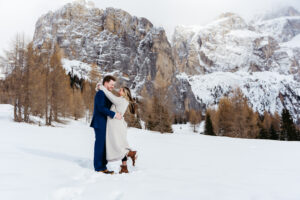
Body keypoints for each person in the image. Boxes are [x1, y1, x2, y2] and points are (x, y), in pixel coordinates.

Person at [98, 83, 137, 174]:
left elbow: (110, 95)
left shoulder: (121, 100)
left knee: (117, 145)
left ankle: (130, 153)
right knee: (121, 145)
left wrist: (102, 87)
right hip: (118, 125)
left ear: (125, 93)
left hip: (115, 125)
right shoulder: (123, 101)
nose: (119, 91)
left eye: (121, 90)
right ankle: (124, 167)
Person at [90, 75, 122, 174]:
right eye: (111, 84)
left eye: (113, 85)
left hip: (104, 123)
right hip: (99, 123)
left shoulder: (106, 93)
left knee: (104, 145)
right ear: (106, 83)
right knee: (100, 145)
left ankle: (103, 166)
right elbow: (101, 108)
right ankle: (99, 167)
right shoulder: (100, 93)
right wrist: (114, 114)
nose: (113, 86)